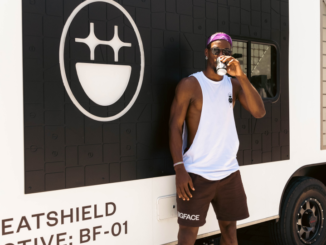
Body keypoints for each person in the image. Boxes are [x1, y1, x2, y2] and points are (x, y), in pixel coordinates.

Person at [168, 33, 266, 245]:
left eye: (226, 52)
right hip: (196, 174)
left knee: (230, 232)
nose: (221, 55)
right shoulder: (190, 84)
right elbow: (174, 127)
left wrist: (241, 76)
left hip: (228, 172)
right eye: (216, 51)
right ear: (207, 53)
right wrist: (179, 169)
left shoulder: (234, 85)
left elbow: (259, 112)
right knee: (187, 235)